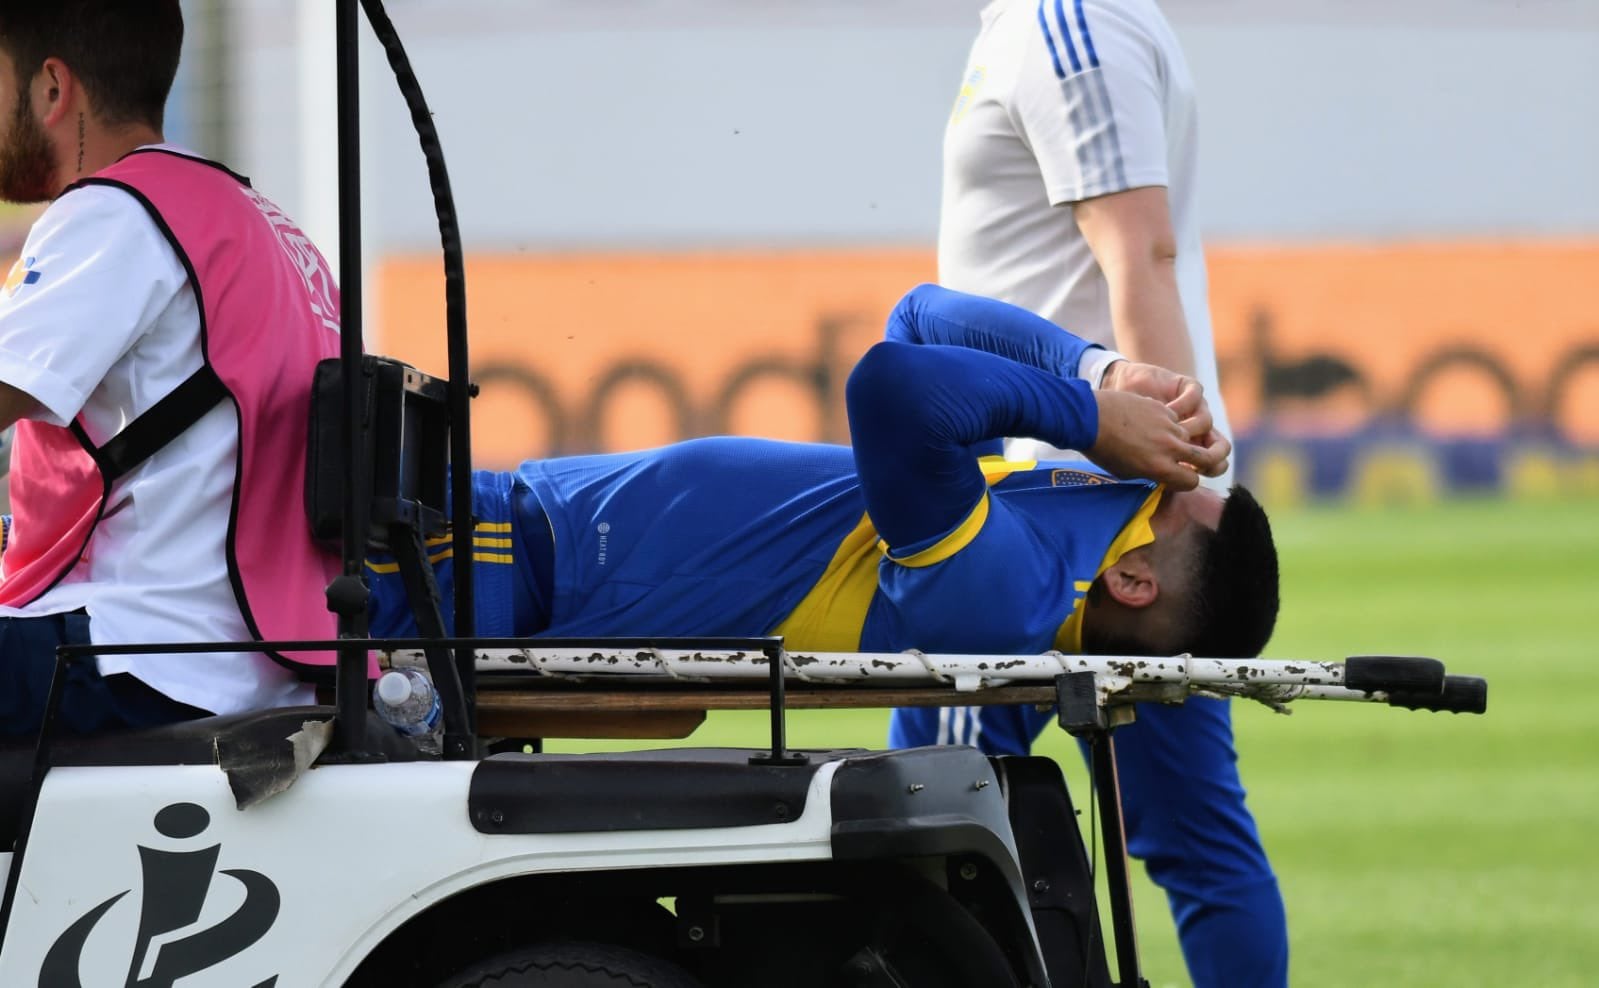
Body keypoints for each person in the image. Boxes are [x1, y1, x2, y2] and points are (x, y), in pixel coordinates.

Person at [369, 285, 1277, 705]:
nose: (1149, 467)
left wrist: (1085, 413)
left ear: (1132, 583)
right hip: (506, 535)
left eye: (1162, 493)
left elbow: (892, 386)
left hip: (489, 571)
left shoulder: (1012, 593)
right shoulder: (1034, 530)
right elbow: (921, 321)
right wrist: (1101, 368)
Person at [932, 2, 1285, 984]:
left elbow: (1141, 255)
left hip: (1062, 522)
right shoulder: (1059, 21)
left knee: (936, 815)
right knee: (1194, 836)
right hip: (1098, 504)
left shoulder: (1066, 21)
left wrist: (1161, 487)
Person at [0, 1, 342, 737]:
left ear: (52, 90)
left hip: (142, 658)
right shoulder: (253, 216)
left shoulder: (112, 213)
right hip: (253, 662)